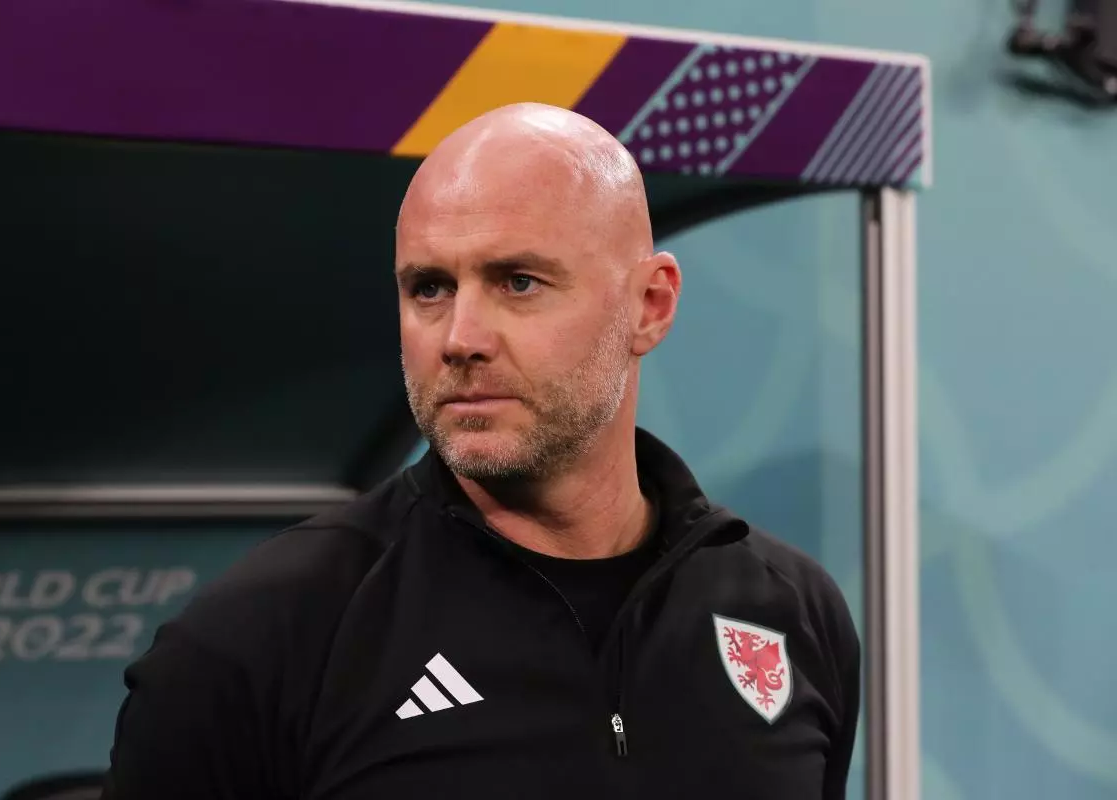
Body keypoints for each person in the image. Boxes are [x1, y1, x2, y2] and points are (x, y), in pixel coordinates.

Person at [98, 102, 860, 800]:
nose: (460, 339)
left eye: (518, 282)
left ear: (650, 305)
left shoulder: (790, 611)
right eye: (429, 288)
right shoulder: (260, 638)